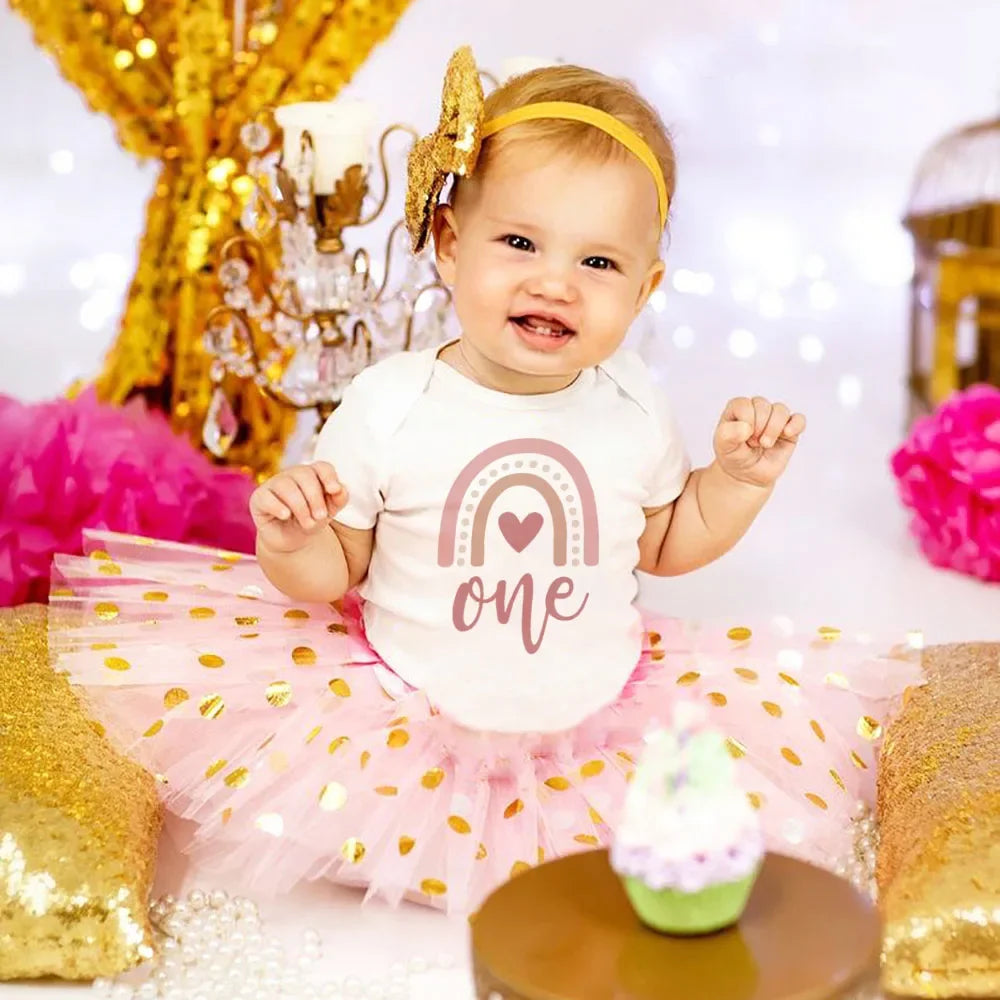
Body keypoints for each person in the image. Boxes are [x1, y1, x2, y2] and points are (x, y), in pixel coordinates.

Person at [50, 47, 916, 914]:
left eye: (599, 264)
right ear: (450, 245)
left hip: (593, 711)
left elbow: (665, 542)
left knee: (636, 842)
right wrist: (293, 539)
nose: (554, 282)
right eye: (520, 243)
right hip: (406, 710)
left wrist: (733, 481)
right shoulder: (391, 401)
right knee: (387, 843)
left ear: (646, 287)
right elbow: (336, 572)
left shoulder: (631, 405)